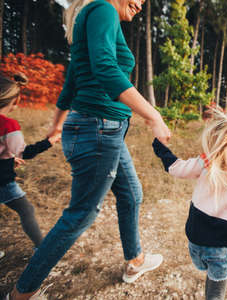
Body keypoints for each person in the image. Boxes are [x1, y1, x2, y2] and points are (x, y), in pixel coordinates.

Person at [7, 0, 171, 299]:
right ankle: (22, 293)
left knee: (132, 193)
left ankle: (134, 262)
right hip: (99, 130)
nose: (142, 3)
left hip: (102, 130)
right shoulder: (104, 10)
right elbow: (106, 69)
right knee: (80, 215)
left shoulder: (94, 16)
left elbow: (73, 79)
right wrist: (153, 115)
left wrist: (57, 126)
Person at [152, 96, 227, 300]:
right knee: (215, 293)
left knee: (207, 268)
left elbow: (175, 168)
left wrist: (160, 147)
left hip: (194, 243)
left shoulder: (207, 161)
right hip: (219, 251)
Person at [0, 73, 59, 253]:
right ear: (12, 101)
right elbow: (24, 152)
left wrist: (8, 158)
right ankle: (41, 250)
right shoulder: (8, 125)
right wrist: (49, 141)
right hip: (2, 182)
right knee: (26, 210)